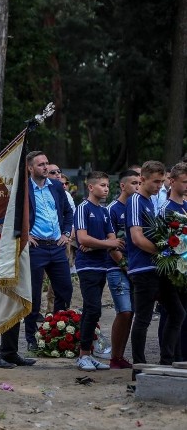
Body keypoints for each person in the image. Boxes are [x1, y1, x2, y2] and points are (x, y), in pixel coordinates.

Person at [0, 154, 35, 369]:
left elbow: (30, 214)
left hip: (13, 251)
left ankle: (10, 352)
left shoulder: (14, 190)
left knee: (13, 298)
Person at [126, 160, 180, 372]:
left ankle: (166, 362)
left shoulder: (150, 201)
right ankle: (138, 367)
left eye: (161, 181)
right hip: (143, 267)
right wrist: (164, 253)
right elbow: (137, 238)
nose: (159, 186)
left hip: (157, 267)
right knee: (143, 318)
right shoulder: (136, 201)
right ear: (143, 179)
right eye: (155, 182)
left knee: (177, 313)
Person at [23, 151, 74, 353]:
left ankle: (56, 330)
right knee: (34, 295)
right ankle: (31, 337)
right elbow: (12, 215)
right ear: (30, 168)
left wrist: (66, 234)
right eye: (41, 164)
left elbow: (68, 212)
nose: (45, 167)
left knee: (65, 289)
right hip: (37, 247)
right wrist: (25, 235)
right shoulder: (24, 188)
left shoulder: (56, 187)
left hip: (57, 245)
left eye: (46, 163)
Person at [73, 172, 121, 371]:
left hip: (103, 265)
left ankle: (87, 353)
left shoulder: (104, 211)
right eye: (102, 185)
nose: (106, 189)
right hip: (87, 266)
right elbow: (82, 239)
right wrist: (104, 244)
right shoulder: (82, 208)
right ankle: (83, 355)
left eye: (108, 185)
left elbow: (114, 239)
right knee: (93, 309)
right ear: (90, 187)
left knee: (90, 310)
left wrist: (97, 245)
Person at [105, 170, 140, 369]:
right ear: (122, 186)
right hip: (117, 268)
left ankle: (119, 356)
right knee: (124, 311)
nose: (137, 186)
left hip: (136, 267)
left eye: (139, 182)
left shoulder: (140, 206)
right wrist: (125, 266)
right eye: (133, 182)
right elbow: (111, 245)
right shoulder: (112, 209)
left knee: (132, 313)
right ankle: (115, 356)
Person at [155, 162, 187, 361]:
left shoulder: (185, 206)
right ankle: (169, 355)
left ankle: (182, 354)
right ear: (172, 182)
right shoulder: (166, 209)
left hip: (186, 268)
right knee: (172, 314)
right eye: (184, 182)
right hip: (172, 270)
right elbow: (161, 241)